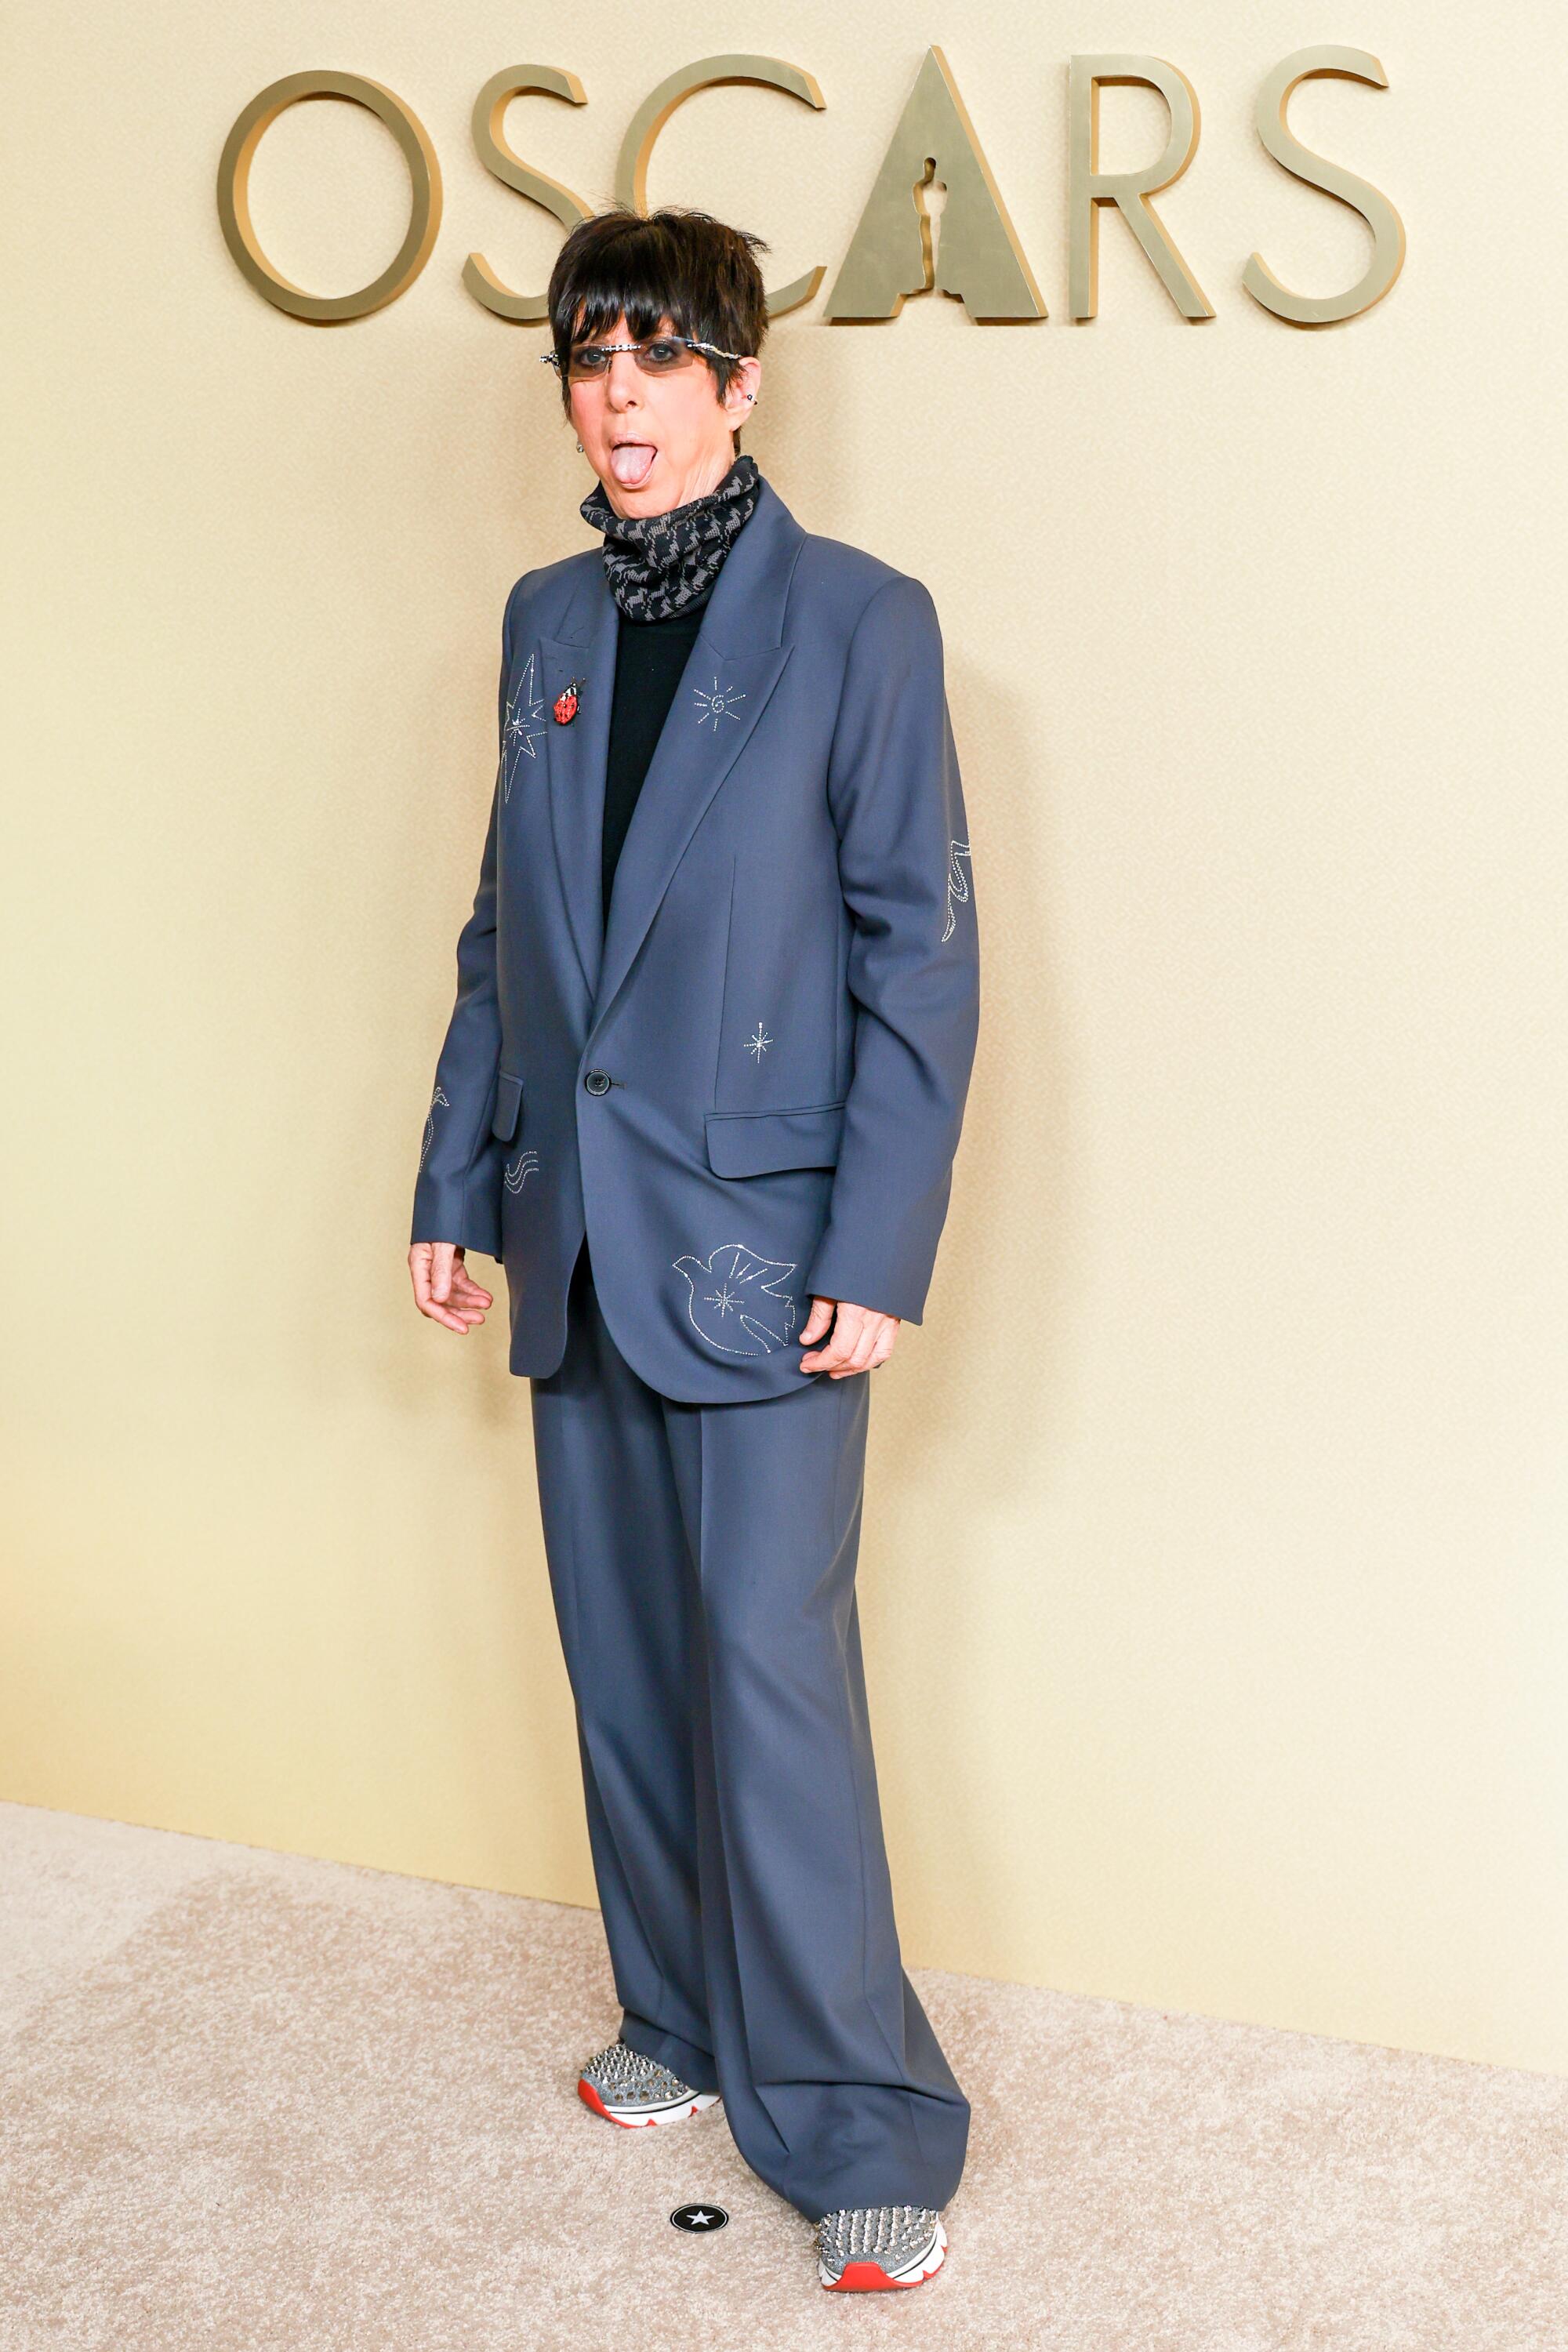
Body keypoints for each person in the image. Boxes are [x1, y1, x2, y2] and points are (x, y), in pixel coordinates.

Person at [407, 205, 980, 2296]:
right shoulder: (546, 620)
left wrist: (884, 1243)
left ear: (744, 387)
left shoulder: (860, 623)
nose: (618, 394)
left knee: (767, 1671)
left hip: (764, 1248)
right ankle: (674, 2011)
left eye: (658, 359)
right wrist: (460, 1184)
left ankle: (860, 2116)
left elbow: (915, 958)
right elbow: (507, 946)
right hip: (574, 1231)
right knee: (630, 1663)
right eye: (589, 357)